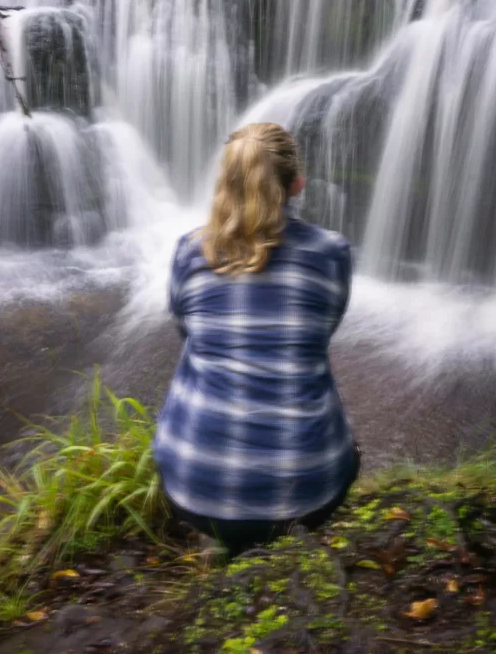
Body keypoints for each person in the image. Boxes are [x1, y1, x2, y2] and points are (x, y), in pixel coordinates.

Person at [153, 122, 359, 556]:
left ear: (226, 181)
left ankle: (225, 541)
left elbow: (184, 330)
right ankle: (277, 550)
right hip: (307, 490)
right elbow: (323, 332)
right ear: (297, 185)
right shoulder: (331, 253)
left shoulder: (189, 252)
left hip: (193, 485)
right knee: (345, 443)